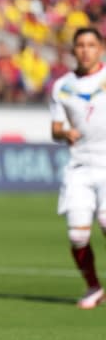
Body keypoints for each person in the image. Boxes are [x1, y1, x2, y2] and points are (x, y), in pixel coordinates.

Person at [50, 26, 106, 309]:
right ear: (73, 50)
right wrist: (65, 134)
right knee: (77, 235)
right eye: (80, 45)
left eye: (91, 45)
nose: (85, 50)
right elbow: (55, 128)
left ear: (101, 49)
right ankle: (93, 287)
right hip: (80, 167)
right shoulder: (63, 86)